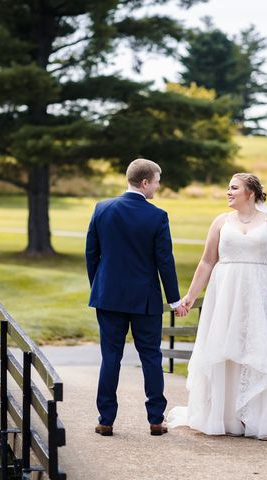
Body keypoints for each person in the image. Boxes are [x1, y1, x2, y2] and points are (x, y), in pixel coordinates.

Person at [167, 173, 267, 439]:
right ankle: (227, 417)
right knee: (226, 348)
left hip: (261, 294)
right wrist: (190, 296)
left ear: (250, 192)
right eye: (228, 187)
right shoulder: (220, 222)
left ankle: (263, 418)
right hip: (225, 296)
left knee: (260, 348)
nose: (228, 192)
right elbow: (206, 262)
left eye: (234, 188)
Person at [86, 158, 188, 437]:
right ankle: (156, 420)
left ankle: (106, 420)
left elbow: (91, 255)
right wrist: (175, 300)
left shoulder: (102, 209)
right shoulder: (157, 216)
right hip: (145, 300)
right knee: (151, 358)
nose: (158, 185)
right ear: (145, 183)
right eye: (156, 180)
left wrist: (100, 286)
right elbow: (164, 262)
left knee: (110, 358)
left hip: (108, 297)